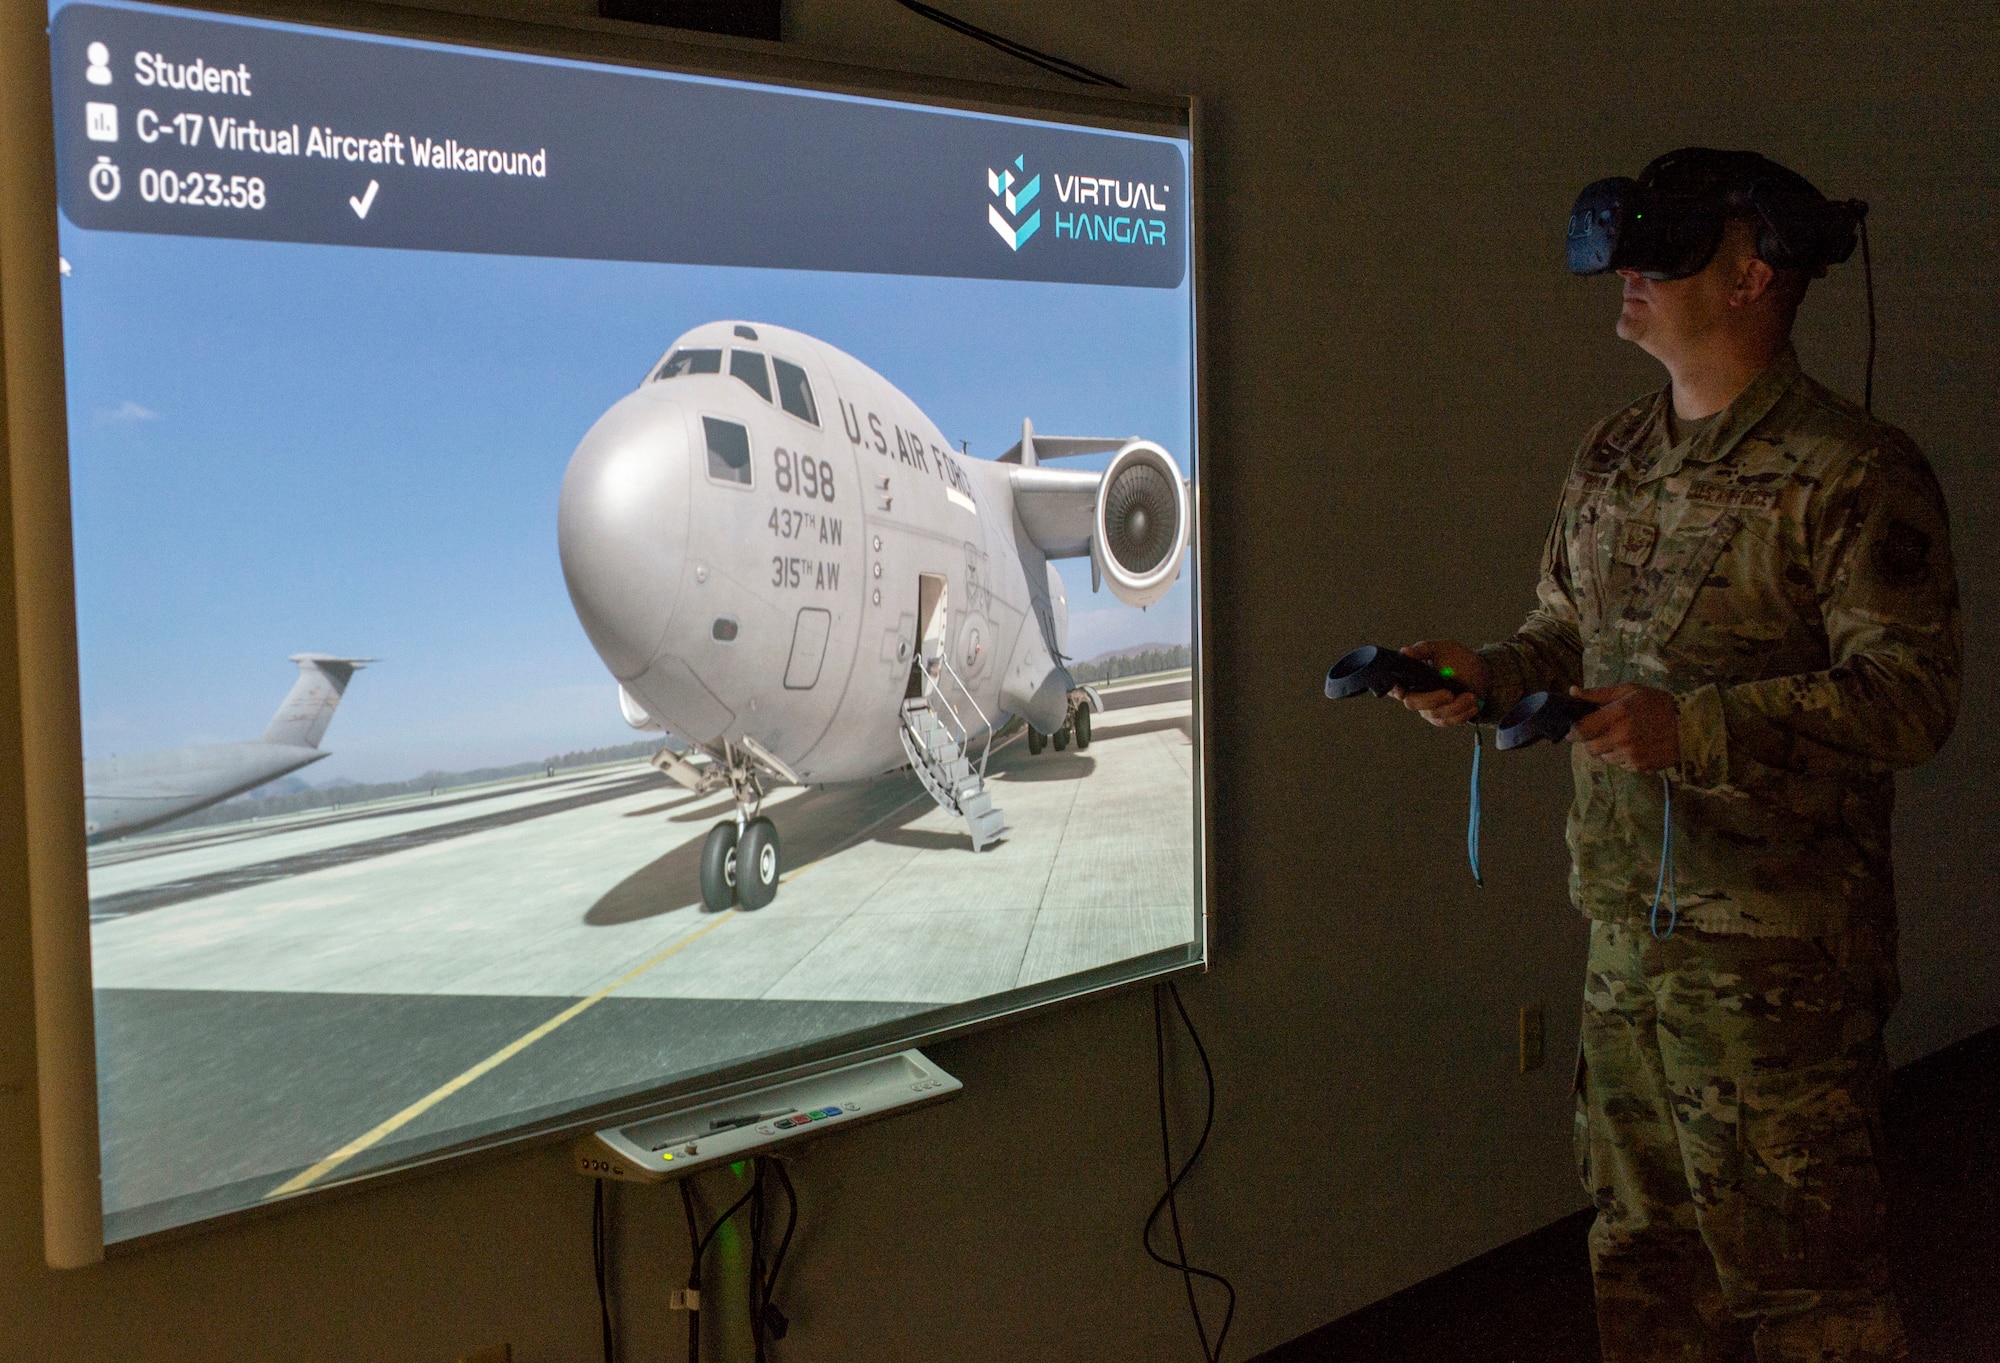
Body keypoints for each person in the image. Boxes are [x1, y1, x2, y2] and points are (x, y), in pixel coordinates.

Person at [1397, 149, 1961, 1362]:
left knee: (1805, 1288)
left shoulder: (1852, 472)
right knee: (1643, 1262)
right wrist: (1482, 677)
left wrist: (1691, 726)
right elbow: (1565, 634)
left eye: (1666, 254)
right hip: (1625, 949)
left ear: (1754, 275)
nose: (1629, 276)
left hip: (1780, 972)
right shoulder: (1609, 457)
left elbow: (1908, 698)